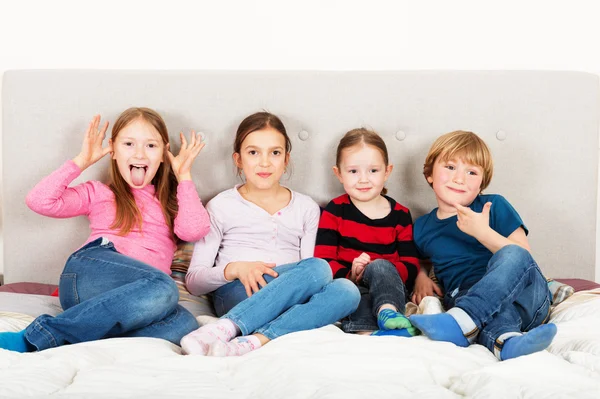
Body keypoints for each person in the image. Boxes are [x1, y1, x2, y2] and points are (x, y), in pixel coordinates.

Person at [0, 107, 210, 352]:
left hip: (137, 298)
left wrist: (184, 176)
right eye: (129, 144)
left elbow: (193, 231)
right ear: (113, 150)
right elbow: (39, 201)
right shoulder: (99, 192)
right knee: (164, 287)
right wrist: (82, 161)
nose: (140, 153)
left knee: (183, 324)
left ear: (164, 153)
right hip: (90, 273)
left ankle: (86, 334)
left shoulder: (173, 201)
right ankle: (37, 336)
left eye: (151, 146)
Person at [181, 111, 360, 356]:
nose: (264, 162)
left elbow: (310, 276)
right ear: (238, 159)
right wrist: (234, 269)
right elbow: (194, 281)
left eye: (274, 153)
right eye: (253, 152)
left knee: (347, 290)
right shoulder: (220, 205)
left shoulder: (306, 208)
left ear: (286, 159)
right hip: (239, 292)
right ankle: (226, 326)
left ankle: (253, 341)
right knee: (319, 268)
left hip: (290, 297)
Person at [409, 130, 557, 361]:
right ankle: (507, 343)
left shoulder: (494, 205)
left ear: (481, 183)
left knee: (514, 254)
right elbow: (415, 259)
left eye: (471, 172)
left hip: (527, 296)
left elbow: (523, 257)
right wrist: (421, 276)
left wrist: (483, 232)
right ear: (429, 174)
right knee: (490, 307)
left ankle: (462, 321)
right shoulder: (423, 227)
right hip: (469, 295)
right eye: (450, 167)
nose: (460, 178)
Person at [315, 128, 420, 337]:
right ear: (339, 173)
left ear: (387, 172)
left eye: (373, 171)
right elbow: (324, 260)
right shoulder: (335, 211)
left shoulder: (400, 214)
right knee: (353, 293)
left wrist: (378, 269)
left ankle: (389, 314)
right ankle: (368, 333)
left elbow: (411, 264)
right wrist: (352, 275)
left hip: (389, 285)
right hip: (351, 284)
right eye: (353, 171)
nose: (364, 179)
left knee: (380, 267)